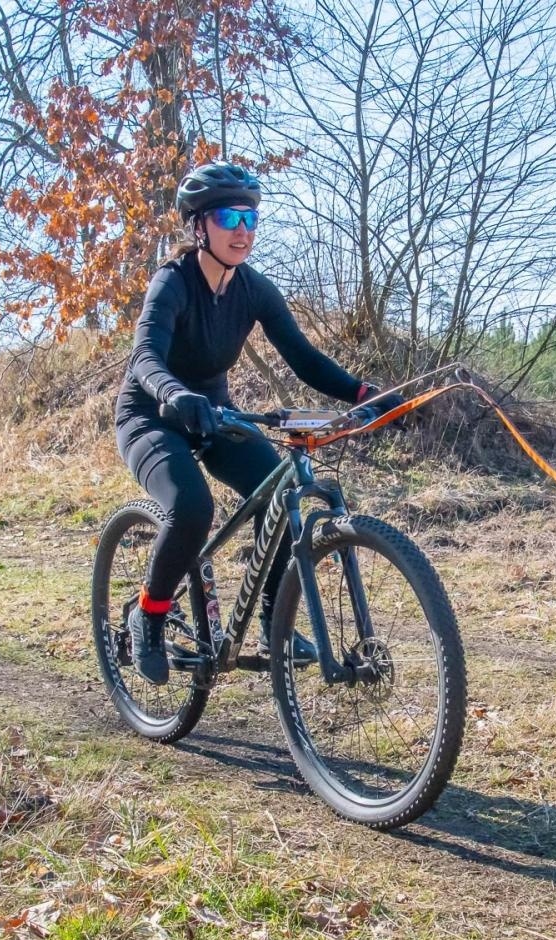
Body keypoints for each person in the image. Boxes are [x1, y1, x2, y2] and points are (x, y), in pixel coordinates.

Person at [115, 161, 404, 685]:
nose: (242, 229)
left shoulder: (253, 288)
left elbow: (303, 357)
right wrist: (176, 394)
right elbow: (145, 359)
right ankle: (149, 616)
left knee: (275, 496)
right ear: (198, 226)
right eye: (229, 216)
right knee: (190, 508)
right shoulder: (171, 284)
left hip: (216, 417)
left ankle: (275, 619)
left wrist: (366, 394)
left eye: (251, 217)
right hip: (151, 417)